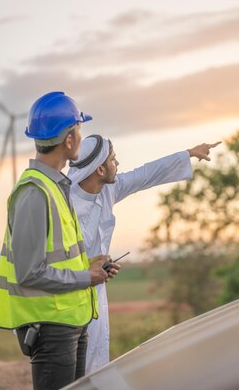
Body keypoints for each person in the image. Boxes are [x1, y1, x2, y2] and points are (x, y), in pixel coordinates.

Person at [0, 91, 120, 390]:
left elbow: (56, 258)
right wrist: (86, 277)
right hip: (52, 329)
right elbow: (29, 271)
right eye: (78, 129)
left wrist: (91, 265)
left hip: (72, 322)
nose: (80, 135)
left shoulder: (55, 186)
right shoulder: (35, 192)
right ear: (70, 139)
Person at [68, 136, 220, 373]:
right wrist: (90, 269)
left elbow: (145, 174)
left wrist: (188, 153)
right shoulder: (65, 202)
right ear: (99, 169)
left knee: (95, 363)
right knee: (73, 368)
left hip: (96, 292)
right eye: (112, 159)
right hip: (69, 296)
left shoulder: (108, 190)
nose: (117, 162)